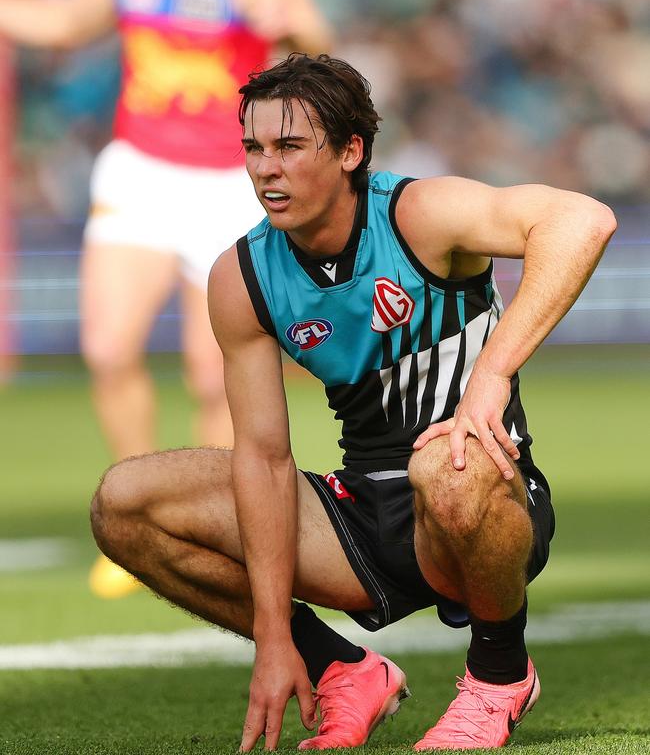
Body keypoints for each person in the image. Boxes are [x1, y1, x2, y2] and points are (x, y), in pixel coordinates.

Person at [90, 54, 616, 750]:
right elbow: (266, 460)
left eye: (288, 146)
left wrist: (493, 371)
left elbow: (582, 220)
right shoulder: (242, 277)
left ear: (349, 151)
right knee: (124, 501)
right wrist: (276, 638)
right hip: (362, 517)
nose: (264, 169)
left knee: (447, 469)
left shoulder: (418, 215)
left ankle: (499, 676)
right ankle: (344, 670)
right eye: (253, 147)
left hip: (485, 493)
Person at [0, 0, 330, 596]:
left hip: (224, 184)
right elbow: (64, 21)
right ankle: (135, 519)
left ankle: (211, 525)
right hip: (139, 173)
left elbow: (315, 33)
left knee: (212, 380)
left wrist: (293, 22)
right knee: (110, 349)